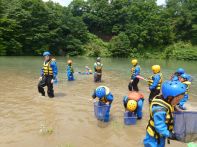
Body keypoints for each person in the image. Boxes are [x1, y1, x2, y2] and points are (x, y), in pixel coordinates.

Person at [144, 80, 186, 147]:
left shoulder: (167, 100)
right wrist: (171, 135)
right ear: (169, 97)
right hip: (153, 138)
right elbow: (159, 127)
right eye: (178, 100)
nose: (178, 102)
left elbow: (172, 105)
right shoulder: (159, 110)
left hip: (160, 136)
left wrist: (178, 110)